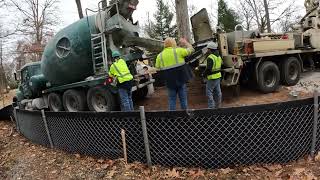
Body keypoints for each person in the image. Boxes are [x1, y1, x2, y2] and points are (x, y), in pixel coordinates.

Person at [155, 38, 194, 111]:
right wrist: (185, 42)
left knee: (171, 100)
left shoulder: (159, 56)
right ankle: (185, 116)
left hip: (169, 81)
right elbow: (191, 50)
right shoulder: (178, 51)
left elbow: (157, 68)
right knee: (183, 99)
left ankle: (172, 118)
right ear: (173, 43)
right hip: (181, 79)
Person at [202, 42, 222, 109]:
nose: (207, 50)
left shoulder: (210, 57)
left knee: (209, 92)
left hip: (212, 77)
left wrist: (203, 74)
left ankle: (211, 107)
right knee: (218, 92)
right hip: (218, 76)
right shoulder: (218, 56)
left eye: (208, 49)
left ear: (210, 49)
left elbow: (208, 69)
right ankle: (218, 106)